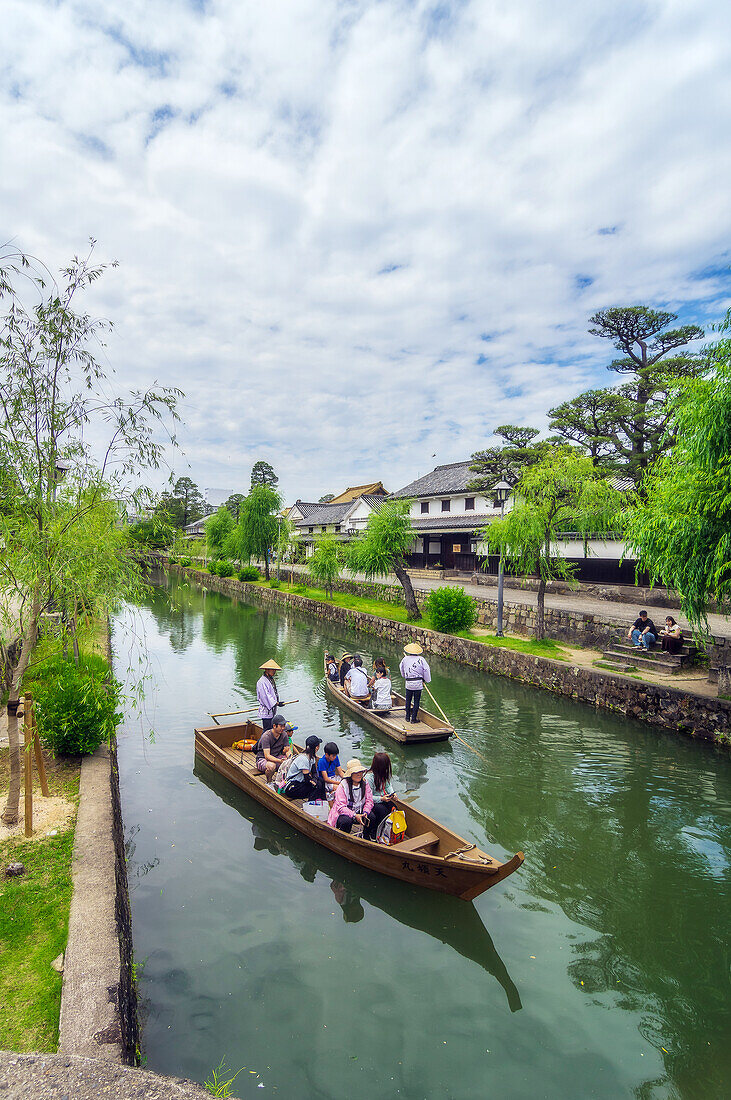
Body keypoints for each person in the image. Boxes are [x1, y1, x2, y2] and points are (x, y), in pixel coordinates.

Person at [327, 759, 373, 833]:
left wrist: (365, 812)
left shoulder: (365, 783)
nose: (359, 774)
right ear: (350, 774)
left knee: (371, 817)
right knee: (346, 821)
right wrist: (354, 815)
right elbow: (341, 807)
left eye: (360, 772)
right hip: (344, 813)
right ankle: (344, 837)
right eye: (356, 772)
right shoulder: (343, 786)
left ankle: (366, 836)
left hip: (360, 810)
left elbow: (369, 800)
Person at [363, 752, 397, 840]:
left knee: (394, 808)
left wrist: (393, 793)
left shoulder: (384, 774)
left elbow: (388, 786)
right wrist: (381, 798)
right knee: (382, 811)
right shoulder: (369, 778)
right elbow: (368, 797)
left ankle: (385, 830)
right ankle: (374, 831)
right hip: (372, 801)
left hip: (383, 799)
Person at [282, 735, 326, 800]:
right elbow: (307, 779)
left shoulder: (312, 757)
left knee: (321, 781)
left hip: (300, 783)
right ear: (316, 747)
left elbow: (314, 772)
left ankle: (323, 800)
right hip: (292, 787)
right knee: (316, 786)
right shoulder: (303, 759)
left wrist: (314, 780)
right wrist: (313, 783)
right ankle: (311, 804)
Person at [399, 642, 431, 723]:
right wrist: (426, 680)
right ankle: (413, 719)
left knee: (408, 700)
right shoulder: (421, 659)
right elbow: (426, 670)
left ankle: (407, 717)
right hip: (418, 683)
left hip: (409, 683)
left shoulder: (405, 659)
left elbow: (401, 668)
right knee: (416, 701)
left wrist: (404, 676)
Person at [255, 713, 290, 780]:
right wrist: (280, 761)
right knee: (272, 766)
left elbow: (288, 749)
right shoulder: (266, 736)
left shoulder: (284, 735)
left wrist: (289, 757)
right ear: (274, 726)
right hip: (263, 759)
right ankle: (269, 782)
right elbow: (267, 756)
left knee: (289, 763)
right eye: (281, 726)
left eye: (284, 726)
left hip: (276, 757)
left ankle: (283, 781)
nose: (283, 728)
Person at [257, 658, 283, 730]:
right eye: (272, 669)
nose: (274, 671)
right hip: (266, 710)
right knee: (267, 730)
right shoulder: (262, 681)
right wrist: (276, 703)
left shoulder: (270, 679)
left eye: (275, 670)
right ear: (267, 670)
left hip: (271, 710)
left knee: (270, 729)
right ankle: (261, 741)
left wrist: (276, 703)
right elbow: (265, 696)